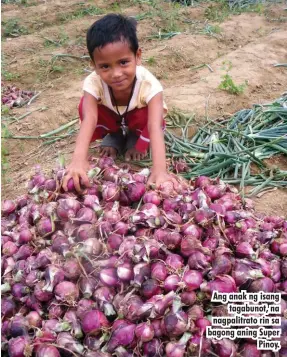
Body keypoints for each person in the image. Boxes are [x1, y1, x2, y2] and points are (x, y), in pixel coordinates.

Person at [62, 13, 176, 193]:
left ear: (137, 56)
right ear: (94, 64)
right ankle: (114, 136)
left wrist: (160, 170)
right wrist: (78, 160)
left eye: (123, 62)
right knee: (85, 105)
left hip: (140, 120)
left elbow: (154, 125)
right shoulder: (93, 82)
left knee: (149, 115)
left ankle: (135, 138)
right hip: (114, 116)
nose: (116, 74)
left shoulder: (149, 84)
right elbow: (90, 119)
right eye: (105, 66)